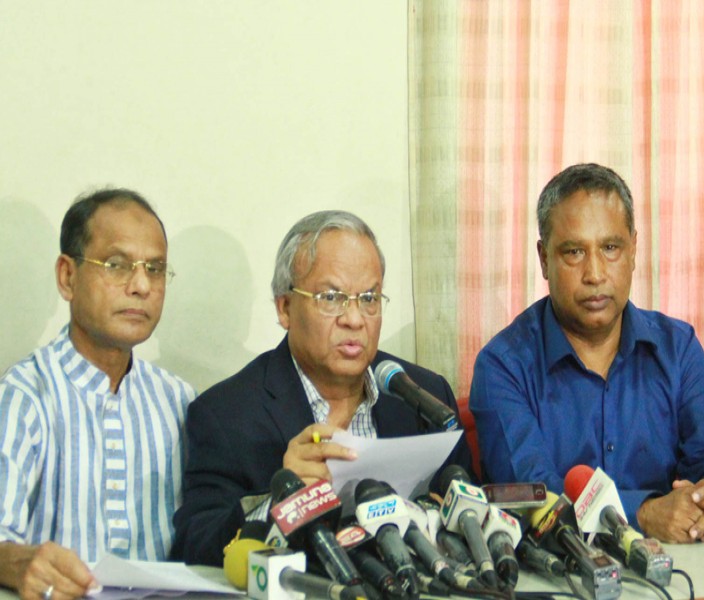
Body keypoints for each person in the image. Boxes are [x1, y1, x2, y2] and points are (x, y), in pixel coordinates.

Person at [469, 163, 704, 544]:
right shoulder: (502, 366)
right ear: (544, 259)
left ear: (633, 250)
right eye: (574, 252)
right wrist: (642, 513)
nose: (594, 273)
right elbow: (532, 498)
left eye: (610, 248)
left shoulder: (678, 347)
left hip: (686, 566)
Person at [171, 210, 472, 566]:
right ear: (285, 308)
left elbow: (473, 512)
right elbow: (196, 546)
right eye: (332, 298)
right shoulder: (226, 413)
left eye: (369, 298)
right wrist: (279, 502)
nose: (355, 319)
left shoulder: (422, 393)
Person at [0, 189, 195, 599]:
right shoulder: (25, 395)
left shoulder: (178, 400)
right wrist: (18, 564)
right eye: (116, 265)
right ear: (67, 277)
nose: (141, 285)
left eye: (156, 269)